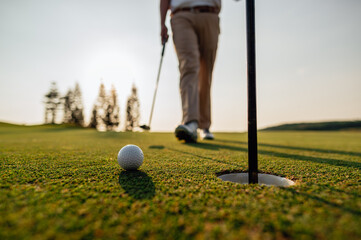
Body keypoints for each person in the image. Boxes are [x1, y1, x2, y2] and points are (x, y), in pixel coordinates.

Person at [160, 0, 221, 143]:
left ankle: (204, 125)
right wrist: (162, 23)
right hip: (181, 15)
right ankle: (191, 121)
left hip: (210, 14)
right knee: (189, 66)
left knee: (206, 72)